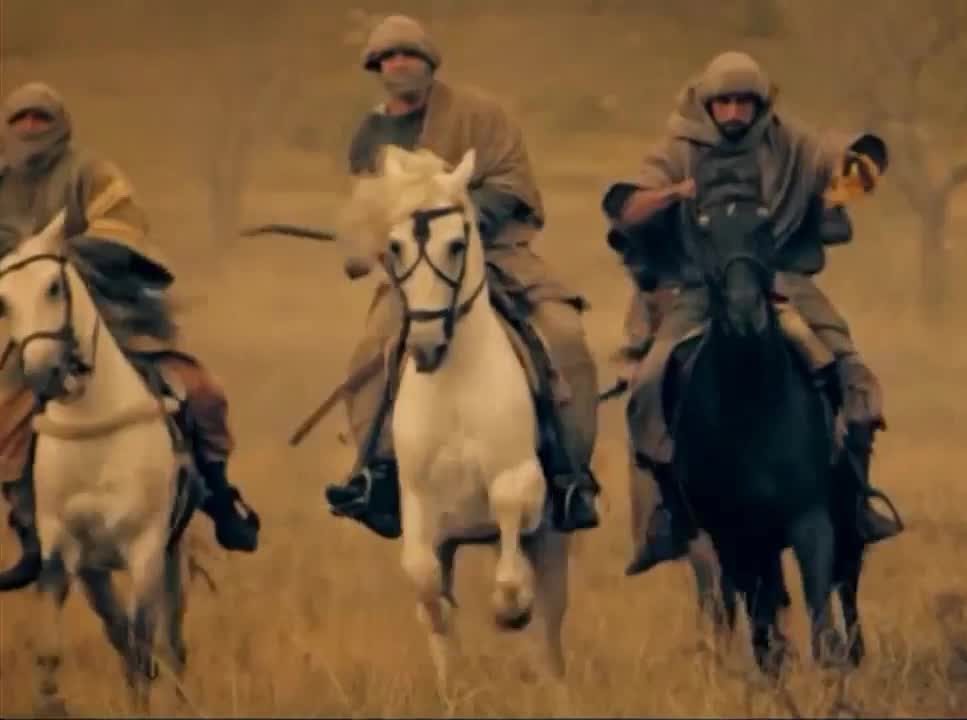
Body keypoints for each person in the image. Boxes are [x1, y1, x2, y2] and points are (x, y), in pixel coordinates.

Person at [602, 50, 904, 577]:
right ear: (707, 104)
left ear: (761, 105)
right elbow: (627, 207)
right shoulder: (678, 149)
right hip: (701, 288)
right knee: (648, 382)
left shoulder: (788, 143)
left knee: (847, 364)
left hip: (782, 281)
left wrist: (850, 172)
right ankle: (668, 512)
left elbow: (839, 159)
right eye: (725, 102)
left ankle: (856, 495)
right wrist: (673, 194)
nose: (735, 113)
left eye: (745, 102)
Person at [322, 15, 602, 537]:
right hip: (417, 271)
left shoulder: (481, 115)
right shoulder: (369, 135)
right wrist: (366, 241)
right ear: (377, 69)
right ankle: (376, 472)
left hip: (498, 254)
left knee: (564, 334)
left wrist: (462, 215)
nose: (399, 64)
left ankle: (570, 475)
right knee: (370, 353)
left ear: (430, 63)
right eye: (388, 57)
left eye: (409, 55)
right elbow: (366, 206)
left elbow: (513, 181)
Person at [0, 82, 260, 591]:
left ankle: (219, 495)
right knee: (4, 417)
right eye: (21, 119)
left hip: (112, 309)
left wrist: (61, 258)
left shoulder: (91, 171)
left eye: (41, 118)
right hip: (33, 323)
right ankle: (30, 530)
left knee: (203, 391)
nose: (31, 128)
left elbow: (122, 228)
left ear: (60, 124)